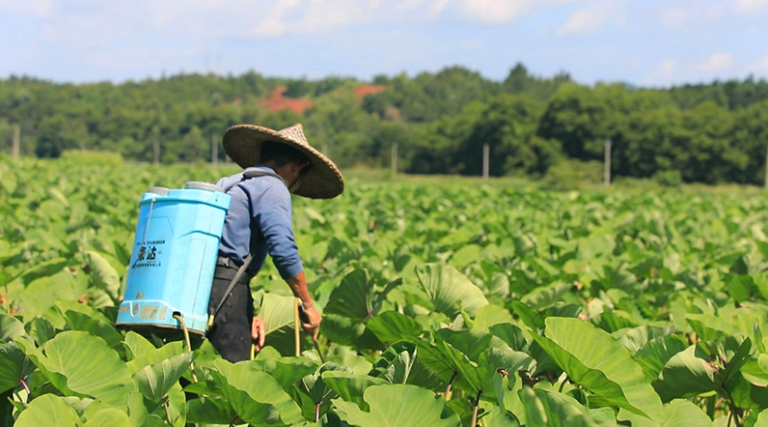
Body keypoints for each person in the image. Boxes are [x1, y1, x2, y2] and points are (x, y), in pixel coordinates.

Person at [206, 123, 344, 362]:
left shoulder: (231, 182)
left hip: (201, 282)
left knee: (196, 374)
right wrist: (308, 305)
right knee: (230, 381)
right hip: (226, 287)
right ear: (299, 166)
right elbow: (283, 251)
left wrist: (248, 315)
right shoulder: (272, 186)